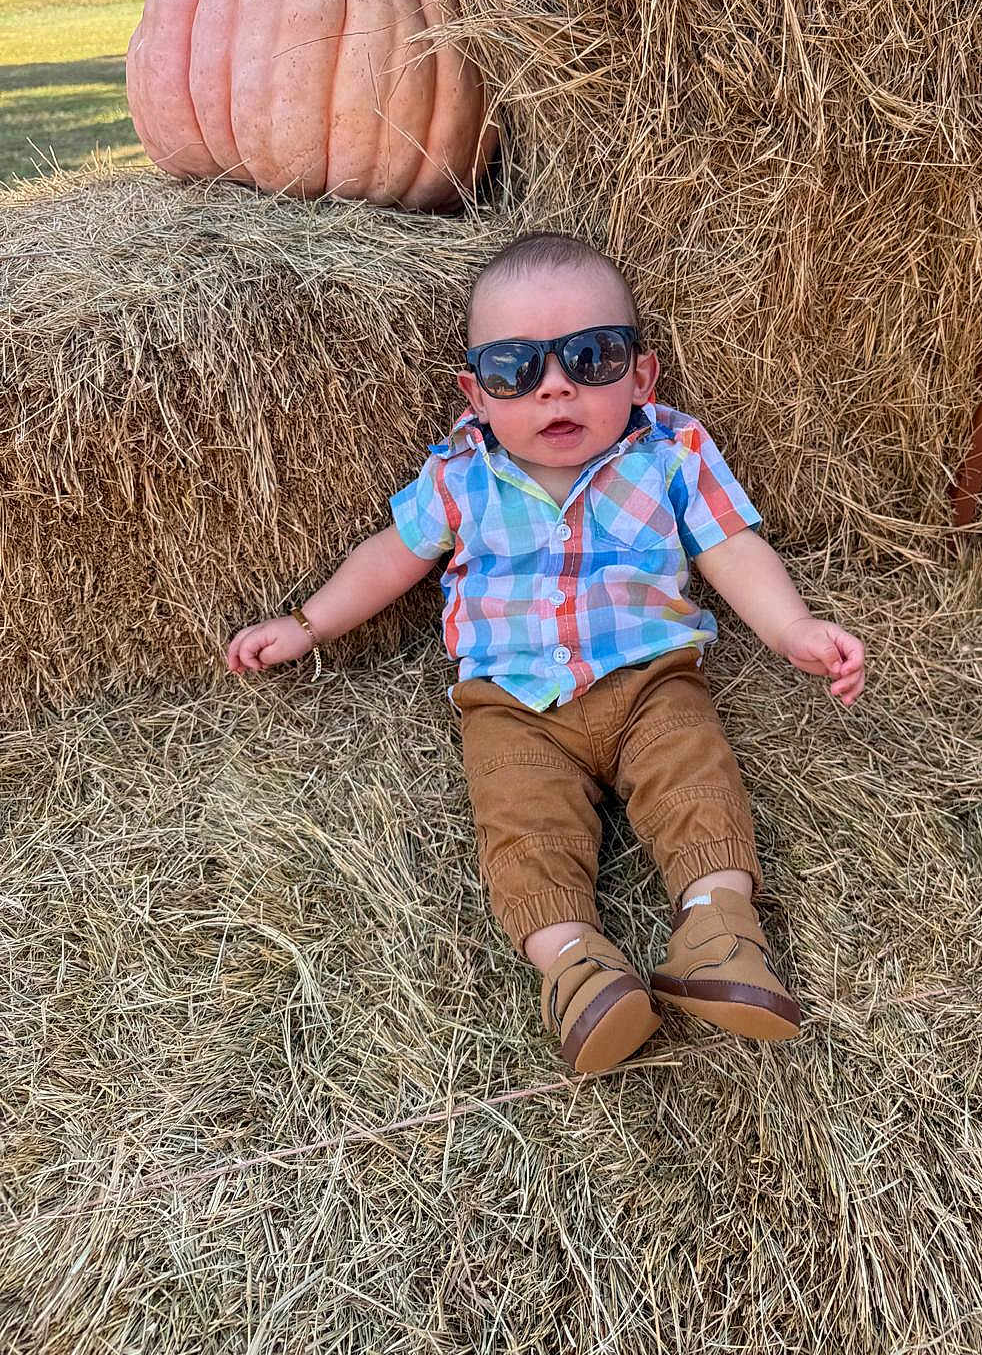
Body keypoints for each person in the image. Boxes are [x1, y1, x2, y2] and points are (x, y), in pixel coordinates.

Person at [227, 232, 866, 1074]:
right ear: (476, 393)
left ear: (641, 375)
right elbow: (392, 553)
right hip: (513, 704)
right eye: (514, 370)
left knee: (696, 778)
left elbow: (732, 547)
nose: (554, 386)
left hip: (649, 679)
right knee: (521, 825)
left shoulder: (671, 452)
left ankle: (717, 931)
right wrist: (307, 625)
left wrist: (793, 631)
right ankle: (575, 965)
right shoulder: (461, 472)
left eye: (591, 358)